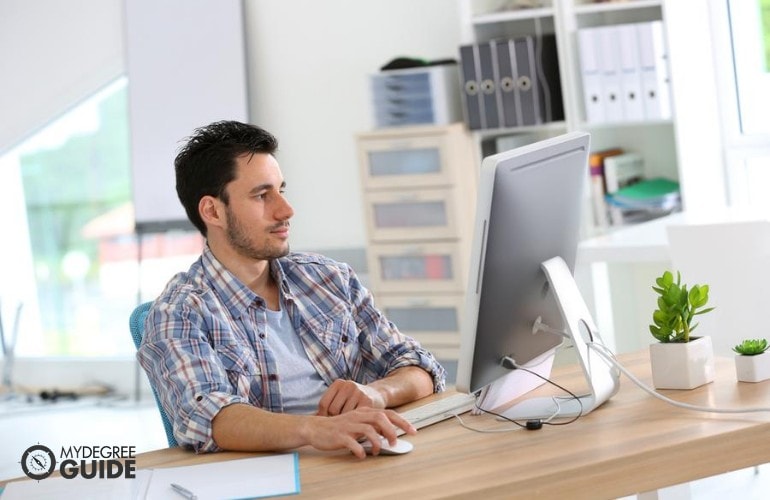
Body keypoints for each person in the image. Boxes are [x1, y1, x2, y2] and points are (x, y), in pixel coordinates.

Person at [137, 120, 446, 459]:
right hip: (280, 477)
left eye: (281, 191)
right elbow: (209, 416)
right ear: (213, 211)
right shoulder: (179, 311)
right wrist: (315, 430)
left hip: (362, 458)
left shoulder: (329, 278)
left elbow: (420, 367)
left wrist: (378, 393)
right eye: (261, 196)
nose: (286, 210)